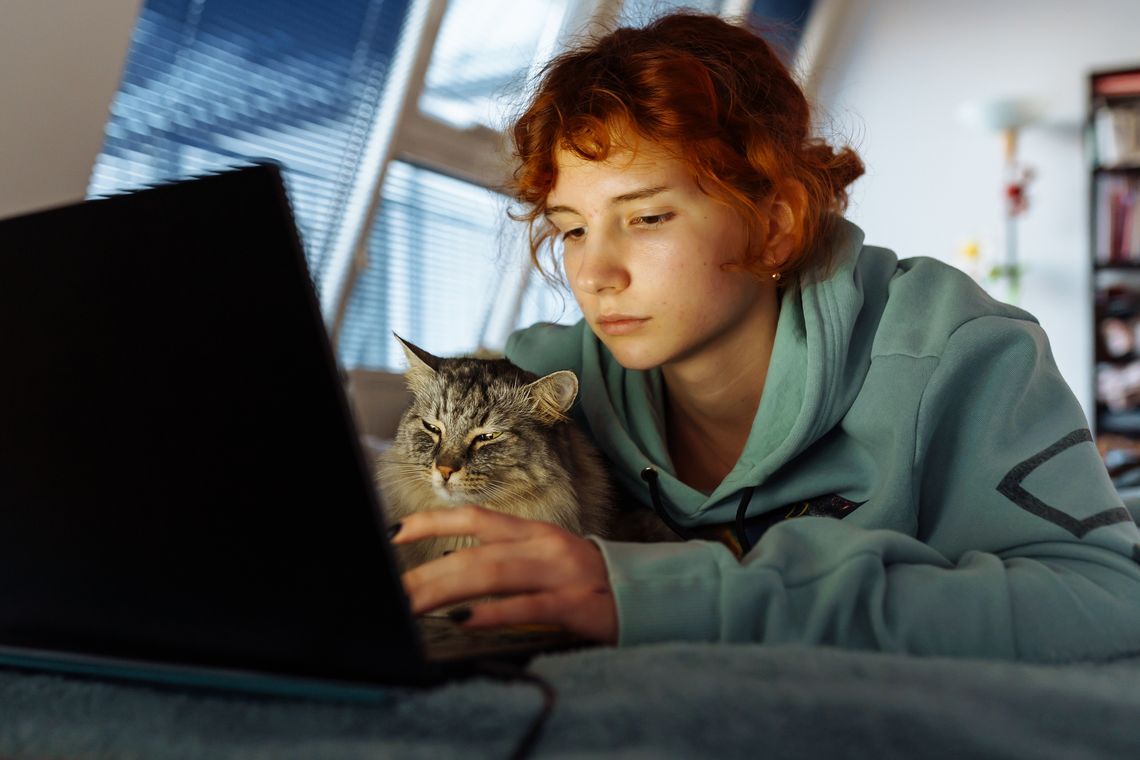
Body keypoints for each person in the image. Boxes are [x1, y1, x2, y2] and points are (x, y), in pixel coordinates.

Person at [390, 11, 1140, 660]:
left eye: (647, 218)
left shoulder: (953, 346)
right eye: (573, 229)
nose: (596, 274)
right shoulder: (545, 385)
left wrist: (674, 598)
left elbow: (1107, 598)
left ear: (774, 226)